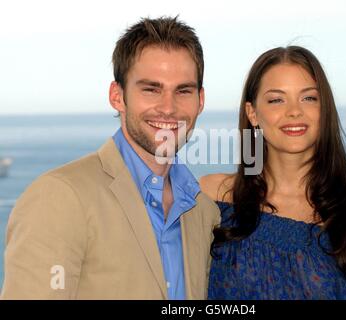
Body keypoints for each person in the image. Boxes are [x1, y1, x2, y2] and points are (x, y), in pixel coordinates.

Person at [1, 16, 220, 299]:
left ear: (200, 101)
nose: (169, 108)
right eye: (151, 89)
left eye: (183, 91)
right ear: (117, 96)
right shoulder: (60, 197)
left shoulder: (203, 211)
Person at [200, 46, 346, 299]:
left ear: (323, 109)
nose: (294, 111)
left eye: (309, 98)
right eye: (276, 99)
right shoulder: (213, 197)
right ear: (252, 113)